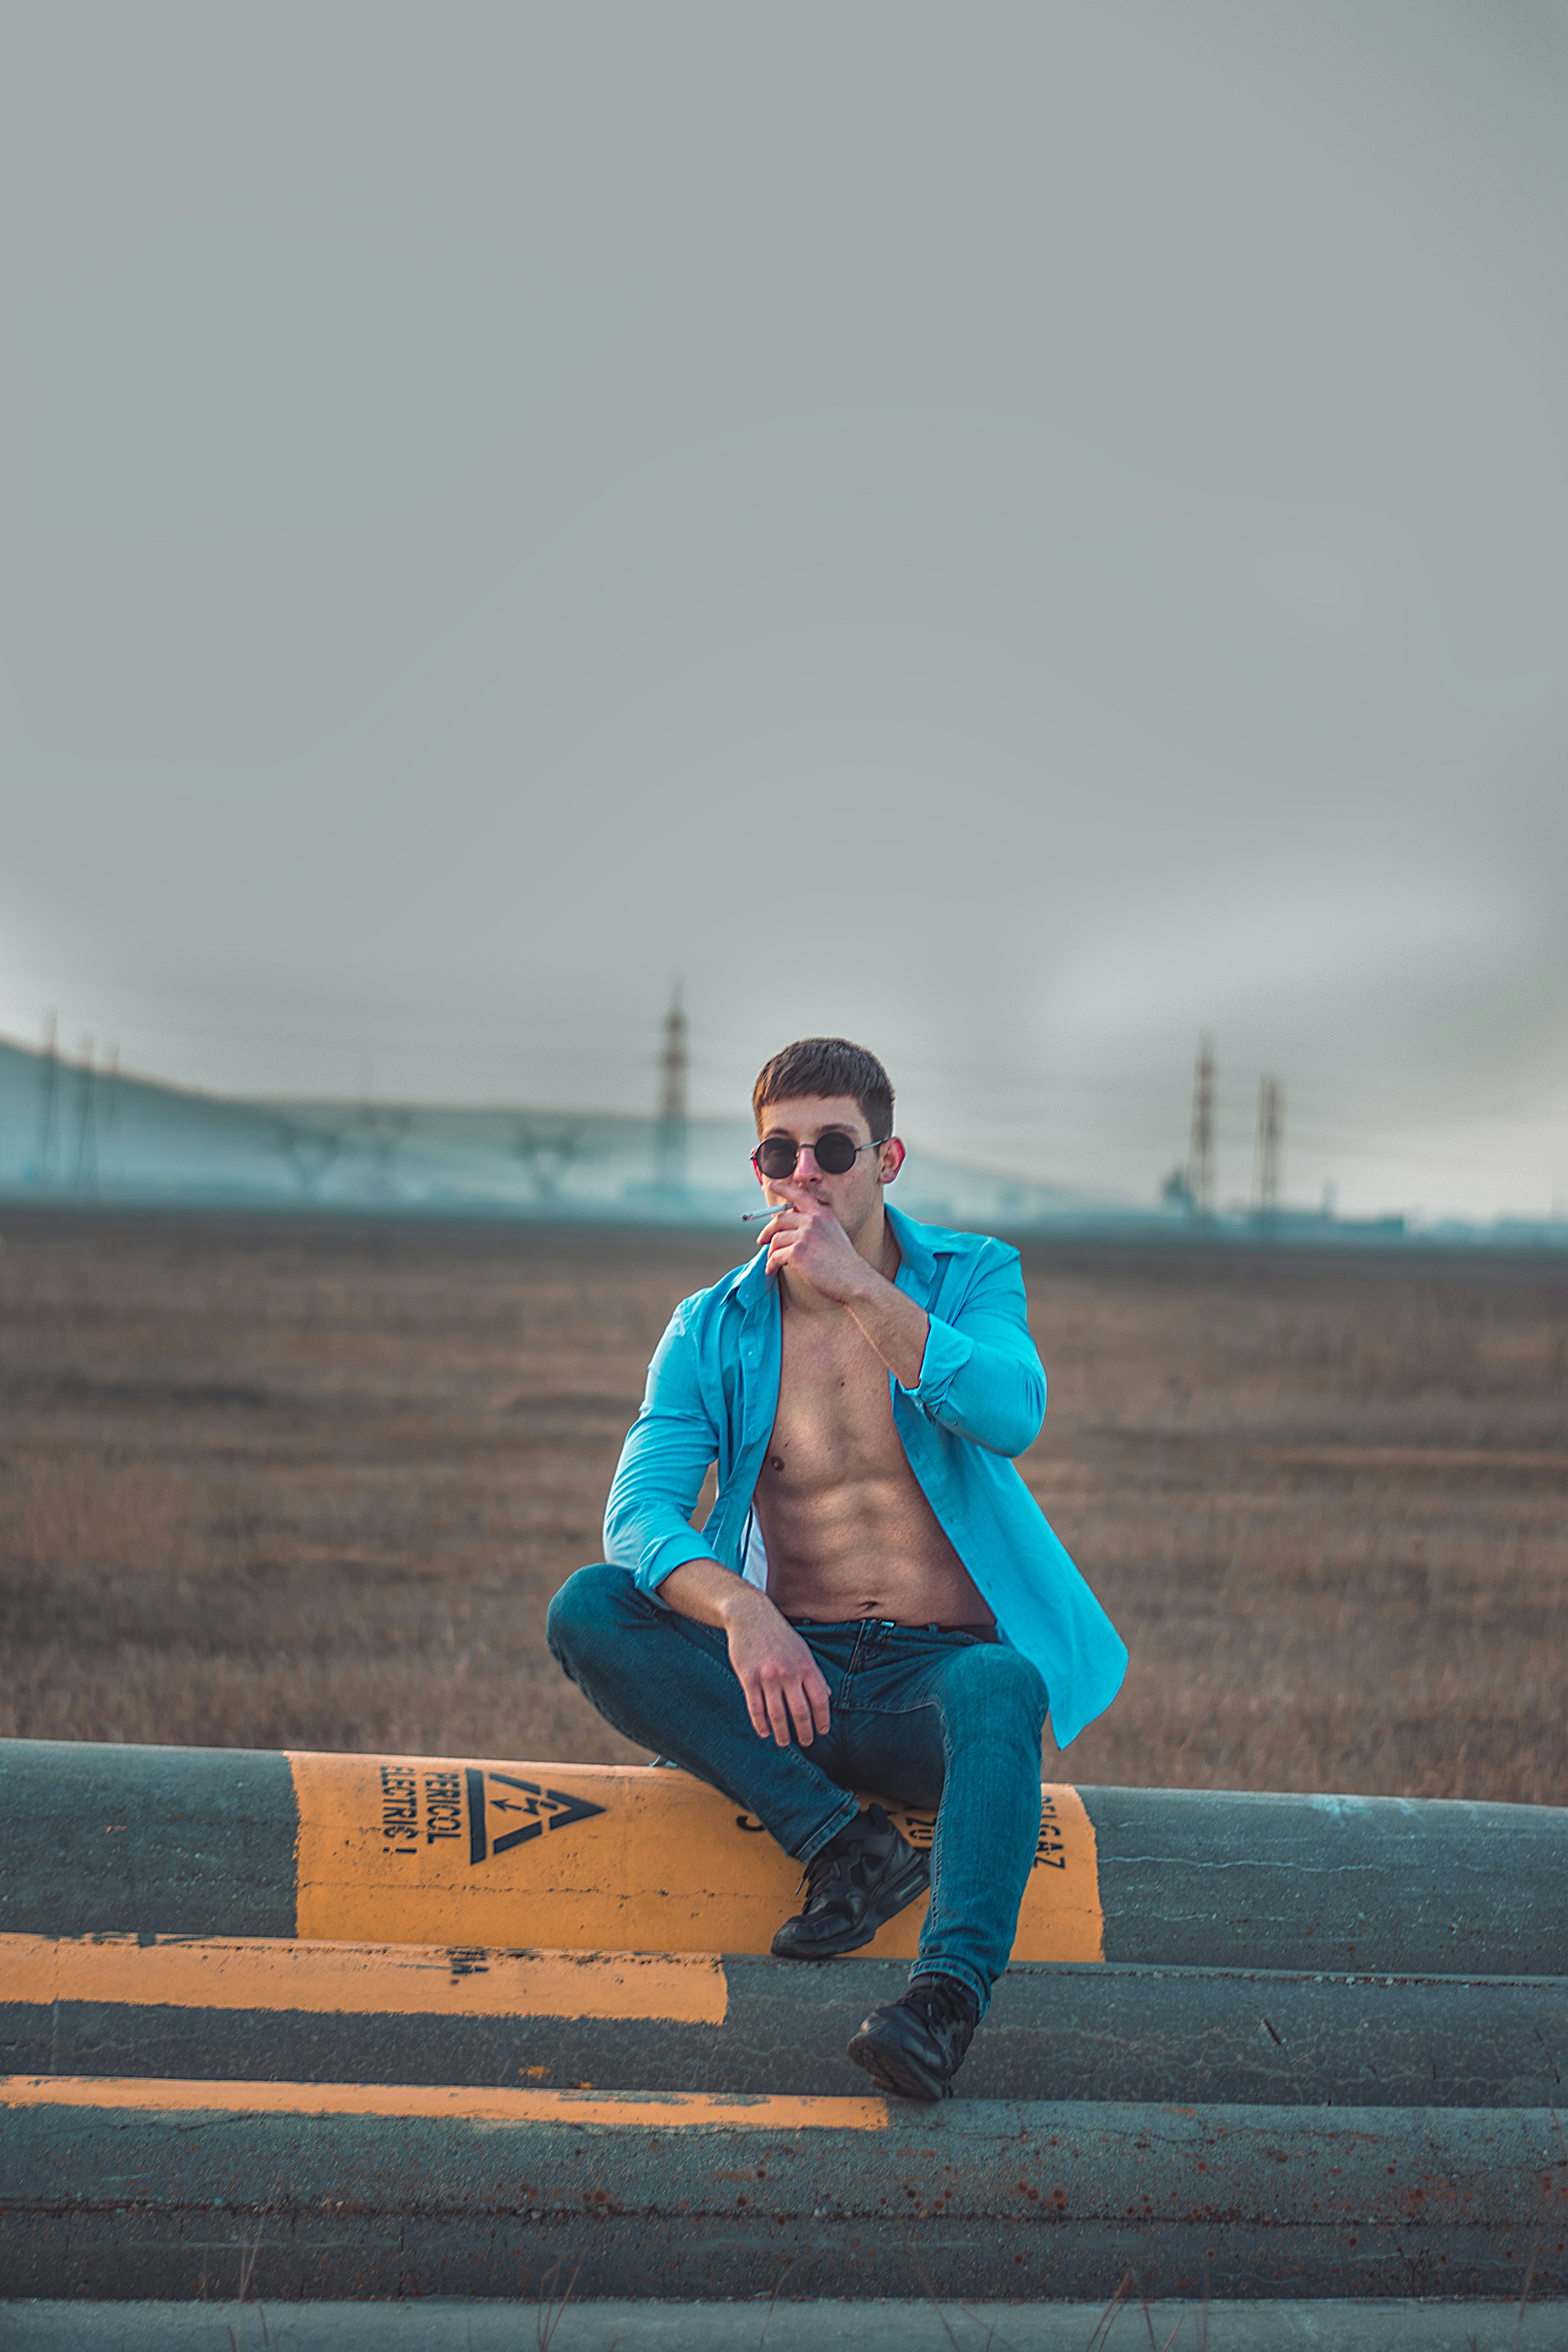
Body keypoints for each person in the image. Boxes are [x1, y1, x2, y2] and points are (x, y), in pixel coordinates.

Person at [547, 1037, 1126, 2100]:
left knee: (1006, 1682)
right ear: (756, 1167)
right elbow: (636, 1518)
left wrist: (858, 1285)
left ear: (888, 1159)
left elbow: (1012, 1412)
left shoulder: (972, 1274)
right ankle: (845, 1848)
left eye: (833, 1149)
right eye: (780, 1152)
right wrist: (741, 1615)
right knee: (589, 1609)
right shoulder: (711, 1325)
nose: (804, 1173)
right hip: (793, 1680)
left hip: (931, 1685)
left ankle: (942, 2005)